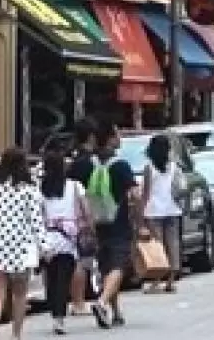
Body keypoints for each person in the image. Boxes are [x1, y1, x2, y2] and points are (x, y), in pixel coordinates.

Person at [0, 147, 46, 340]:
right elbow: (36, 220)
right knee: (20, 294)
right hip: (21, 244)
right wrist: (44, 246)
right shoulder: (29, 190)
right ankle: (16, 334)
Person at [88, 121, 138, 329]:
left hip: (93, 224)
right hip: (118, 224)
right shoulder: (121, 166)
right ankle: (101, 303)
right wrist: (140, 220)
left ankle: (115, 311)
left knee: (107, 268)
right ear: (109, 138)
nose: (120, 138)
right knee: (119, 267)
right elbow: (134, 195)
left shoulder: (85, 164)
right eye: (117, 134)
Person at [40, 147, 90, 335]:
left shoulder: (41, 188)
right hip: (68, 238)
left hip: (47, 237)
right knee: (63, 277)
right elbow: (85, 209)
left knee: (52, 278)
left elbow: (40, 213)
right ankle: (59, 318)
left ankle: (55, 313)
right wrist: (89, 228)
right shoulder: (75, 186)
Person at [141, 135, 183, 294]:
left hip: (154, 211)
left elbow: (146, 192)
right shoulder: (173, 167)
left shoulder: (149, 168)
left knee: (157, 247)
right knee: (172, 244)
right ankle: (171, 280)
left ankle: (157, 281)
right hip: (172, 209)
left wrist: (141, 214)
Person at [66, 118, 98, 317]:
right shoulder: (88, 163)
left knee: (79, 259)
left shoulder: (73, 160)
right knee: (82, 260)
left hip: (69, 215)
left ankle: (77, 299)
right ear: (91, 136)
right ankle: (79, 301)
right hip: (83, 214)